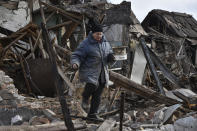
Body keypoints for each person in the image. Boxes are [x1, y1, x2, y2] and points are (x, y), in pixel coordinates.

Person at [71, 22, 115, 120]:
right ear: (92, 33)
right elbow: (76, 55)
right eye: (97, 34)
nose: (99, 36)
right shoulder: (86, 43)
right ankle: (85, 97)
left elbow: (110, 52)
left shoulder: (105, 43)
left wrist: (111, 57)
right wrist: (75, 63)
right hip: (89, 70)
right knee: (92, 85)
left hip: (102, 72)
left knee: (98, 94)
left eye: (100, 34)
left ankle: (92, 114)